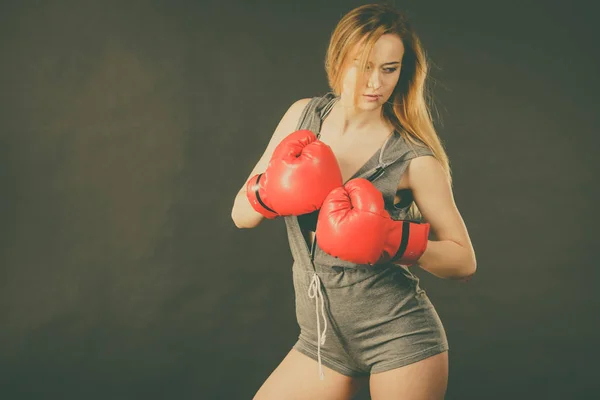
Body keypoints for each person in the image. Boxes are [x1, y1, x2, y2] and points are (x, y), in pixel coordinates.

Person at [231, 3, 477, 399]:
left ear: (403, 71)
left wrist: (392, 239)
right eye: (362, 64)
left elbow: (464, 262)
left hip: (399, 336)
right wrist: (269, 194)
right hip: (320, 340)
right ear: (337, 59)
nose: (374, 82)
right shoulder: (302, 117)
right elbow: (240, 215)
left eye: (389, 68)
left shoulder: (413, 159)